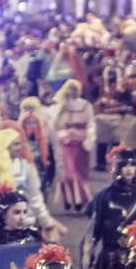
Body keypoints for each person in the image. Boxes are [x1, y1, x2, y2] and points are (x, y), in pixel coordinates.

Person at [90, 145, 136, 269]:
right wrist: (91, 250)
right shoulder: (105, 196)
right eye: (124, 165)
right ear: (117, 168)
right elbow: (95, 228)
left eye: (132, 165)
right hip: (110, 253)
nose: (129, 169)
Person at [51, 78, 97, 212]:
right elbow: (54, 125)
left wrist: (89, 140)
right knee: (67, 173)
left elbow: (91, 123)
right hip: (65, 144)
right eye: (69, 88)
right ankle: (70, 199)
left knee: (79, 173)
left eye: (74, 89)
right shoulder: (60, 107)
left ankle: (79, 200)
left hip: (80, 145)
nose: (72, 91)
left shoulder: (85, 105)